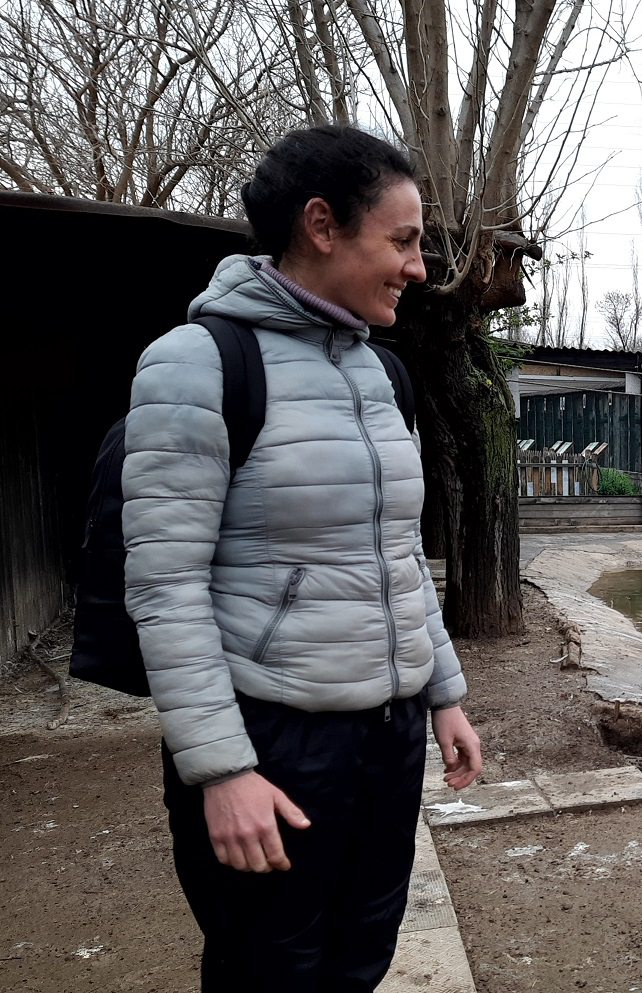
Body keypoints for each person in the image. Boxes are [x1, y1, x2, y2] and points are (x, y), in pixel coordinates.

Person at [120, 124, 482, 992]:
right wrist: (223, 769)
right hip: (274, 734)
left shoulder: (382, 375)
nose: (419, 267)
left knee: (359, 961)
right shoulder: (199, 364)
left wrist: (444, 692)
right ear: (322, 225)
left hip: (387, 735)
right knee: (267, 970)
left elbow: (395, 552)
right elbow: (164, 588)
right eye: (401, 240)